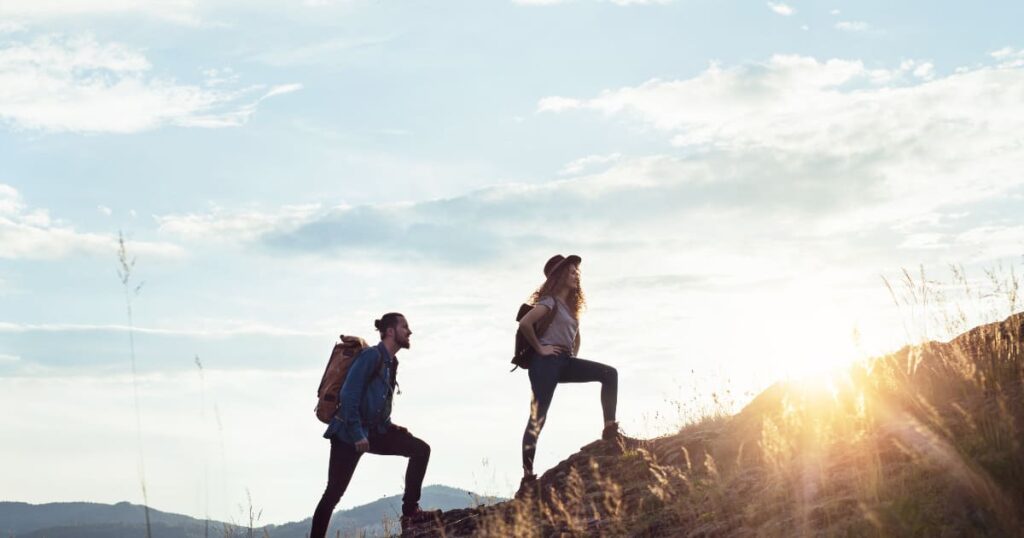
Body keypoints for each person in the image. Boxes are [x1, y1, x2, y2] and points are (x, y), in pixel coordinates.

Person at [311, 313, 438, 537]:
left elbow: (379, 404)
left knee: (420, 450)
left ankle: (410, 514)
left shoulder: (392, 363)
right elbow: (349, 395)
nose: (409, 332)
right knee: (332, 494)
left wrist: (392, 427)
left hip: (375, 431)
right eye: (405, 327)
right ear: (390, 331)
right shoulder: (371, 356)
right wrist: (358, 434)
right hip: (348, 434)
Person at [517, 254, 620, 496]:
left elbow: (576, 334)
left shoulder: (571, 308)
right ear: (559, 276)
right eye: (572, 272)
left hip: (563, 361)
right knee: (538, 418)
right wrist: (541, 348)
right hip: (544, 364)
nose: (576, 275)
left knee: (609, 374)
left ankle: (610, 431)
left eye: (577, 272)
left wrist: (573, 355)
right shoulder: (549, 301)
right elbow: (525, 323)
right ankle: (527, 477)